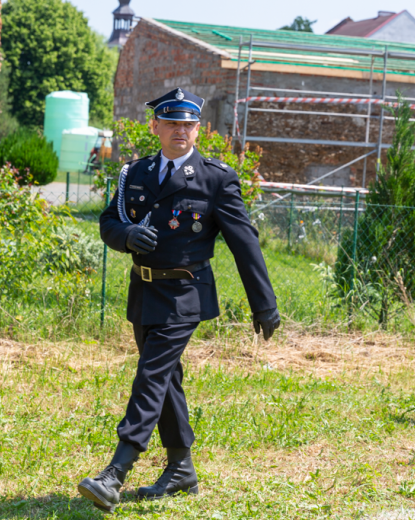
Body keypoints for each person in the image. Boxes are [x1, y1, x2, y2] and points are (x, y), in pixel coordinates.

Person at [77, 88, 281, 512]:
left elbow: (245, 243)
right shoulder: (134, 173)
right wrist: (127, 236)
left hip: (186, 293)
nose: (180, 131)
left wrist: (264, 305)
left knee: (150, 376)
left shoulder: (215, 178)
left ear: (197, 129)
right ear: (155, 127)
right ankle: (181, 468)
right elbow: (109, 223)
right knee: (166, 380)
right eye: (171, 123)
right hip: (144, 289)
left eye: (188, 125)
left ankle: (116, 471)